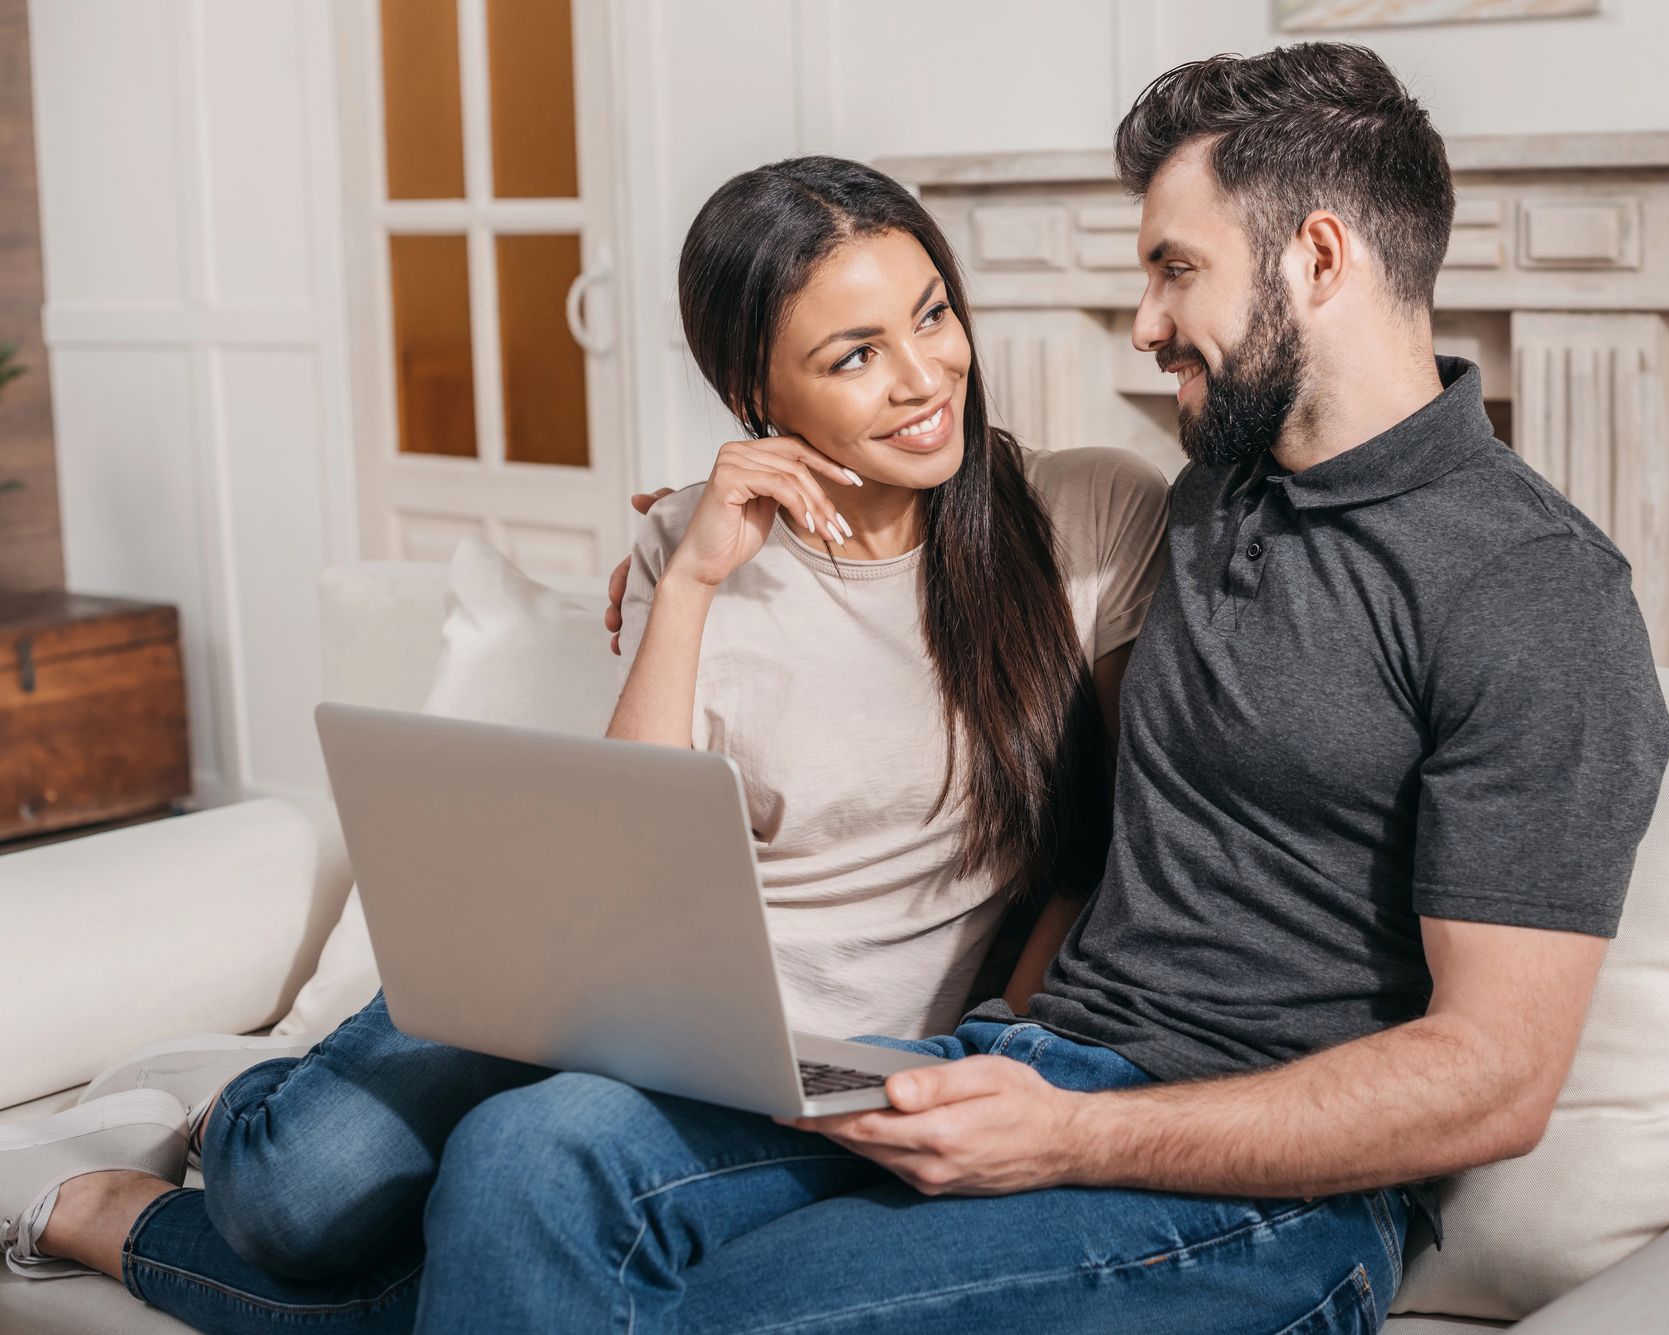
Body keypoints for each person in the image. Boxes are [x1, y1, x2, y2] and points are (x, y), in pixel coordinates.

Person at [401, 41, 1669, 1333]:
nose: (1146, 322)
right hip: (1021, 1059)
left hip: (1274, 1190)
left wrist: (1076, 1134)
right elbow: (938, 517)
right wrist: (696, 534)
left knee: (722, 1308)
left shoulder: (1533, 591)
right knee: (528, 1152)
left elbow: (1496, 1078)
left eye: (1176, 268)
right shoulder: (1201, 495)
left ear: (1320, 260)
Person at [0, 156, 1169, 1331]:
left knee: (487, 1242)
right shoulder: (695, 545)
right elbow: (627, 863)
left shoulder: (1093, 516)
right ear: (755, 397)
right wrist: (694, 578)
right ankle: (232, 1106)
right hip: (606, 996)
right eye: (853, 355)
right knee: (290, 1201)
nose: (926, 378)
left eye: (931, 315)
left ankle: (124, 1216)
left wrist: (1008, 1040)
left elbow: (1097, 848)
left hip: (814, 1069)